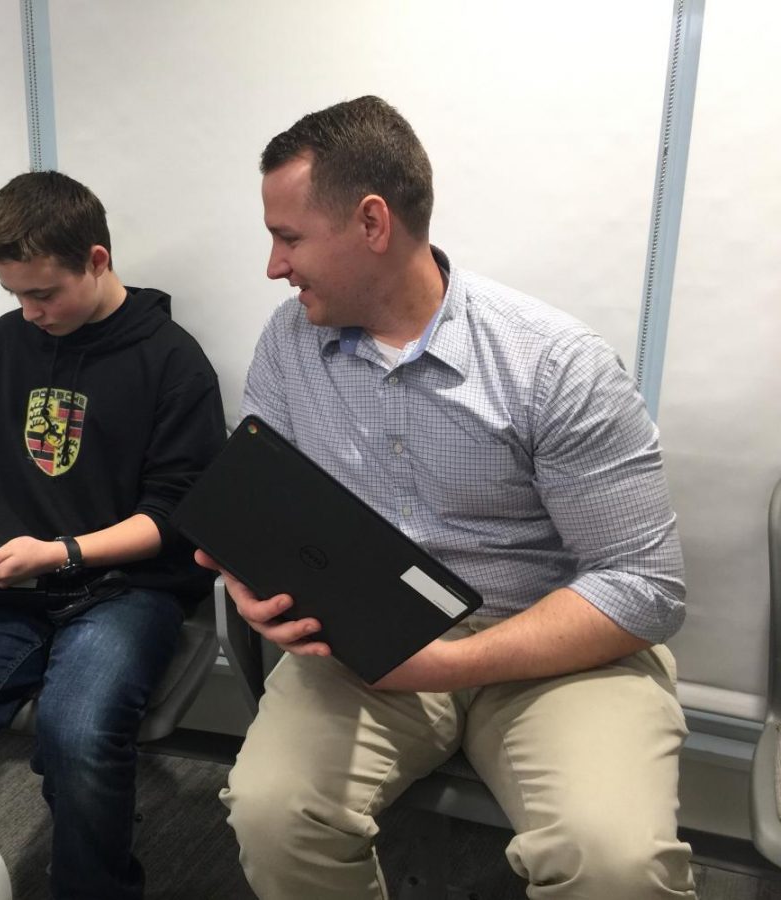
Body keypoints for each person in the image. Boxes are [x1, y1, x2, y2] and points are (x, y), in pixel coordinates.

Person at [203, 96, 696, 899]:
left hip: (548, 649)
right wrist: (246, 583)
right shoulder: (290, 344)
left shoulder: (553, 365)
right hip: (366, 644)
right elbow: (261, 510)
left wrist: (449, 662)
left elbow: (644, 586)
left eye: (288, 237)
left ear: (372, 223)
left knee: (614, 862)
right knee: (273, 811)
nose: (273, 266)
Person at [0, 170, 226, 900]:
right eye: (15, 296)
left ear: (97, 260)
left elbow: (172, 516)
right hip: (9, 581)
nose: (30, 312)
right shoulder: (5, 344)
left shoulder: (172, 361)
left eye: (44, 294)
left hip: (124, 590)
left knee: (78, 734)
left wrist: (64, 551)